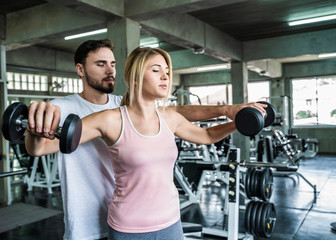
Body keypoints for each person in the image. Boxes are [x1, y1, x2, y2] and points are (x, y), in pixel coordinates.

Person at [26, 39, 265, 240]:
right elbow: (39, 147)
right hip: (104, 222)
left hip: (167, 220)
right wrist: (36, 125)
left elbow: (196, 124)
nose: (110, 70)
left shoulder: (139, 109)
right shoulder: (84, 113)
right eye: (101, 64)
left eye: (112, 64)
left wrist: (234, 115)